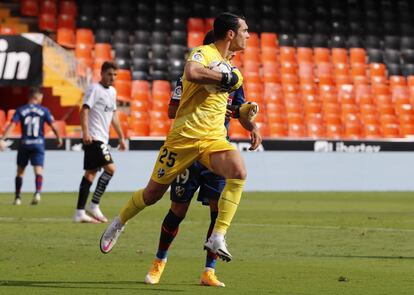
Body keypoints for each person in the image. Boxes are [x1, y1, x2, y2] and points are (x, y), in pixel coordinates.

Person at [100, 12, 254, 264]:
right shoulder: (203, 53)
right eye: (245, 30)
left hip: (212, 139)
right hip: (183, 139)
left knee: (238, 172)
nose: (248, 35)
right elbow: (192, 72)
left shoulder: (234, 71)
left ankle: (218, 236)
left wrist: (248, 115)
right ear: (230, 34)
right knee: (152, 195)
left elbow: (236, 107)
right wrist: (226, 78)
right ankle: (119, 222)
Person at [144, 31, 262, 287]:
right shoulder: (196, 74)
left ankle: (208, 271)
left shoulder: (234, 79)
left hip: (216, 150)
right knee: (178, 209)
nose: (230, 57)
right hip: (189, 149)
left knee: (216, 209)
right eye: (227, 53)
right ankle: (159, 262)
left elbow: (239, 111)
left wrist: (249, 123)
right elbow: (172, 110)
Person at [73, 61, 126, 223]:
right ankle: (94, 204)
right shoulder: (94, 89)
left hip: (102, 137)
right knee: (111, 169)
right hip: (94, 137)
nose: (112, 77)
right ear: (101, 74)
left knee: (90, 174)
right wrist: (85, 132)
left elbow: (114, 116)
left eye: (115, 75)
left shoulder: (113, 92)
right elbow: (84, 109)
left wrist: (121, 137)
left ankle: (79, 212)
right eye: (109, 74)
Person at [0, 87, 63, 205]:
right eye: (41, 97)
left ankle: (18, 197)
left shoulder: (21, 110)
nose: (41, 99)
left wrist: (3, 139)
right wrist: (58, 137)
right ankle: (38, 193)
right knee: (38, 170)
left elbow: (12, 125)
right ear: (37, 97)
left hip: (24, 144)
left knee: (20, 171)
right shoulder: (44, 110)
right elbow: (53, 125)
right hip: (38, 144)